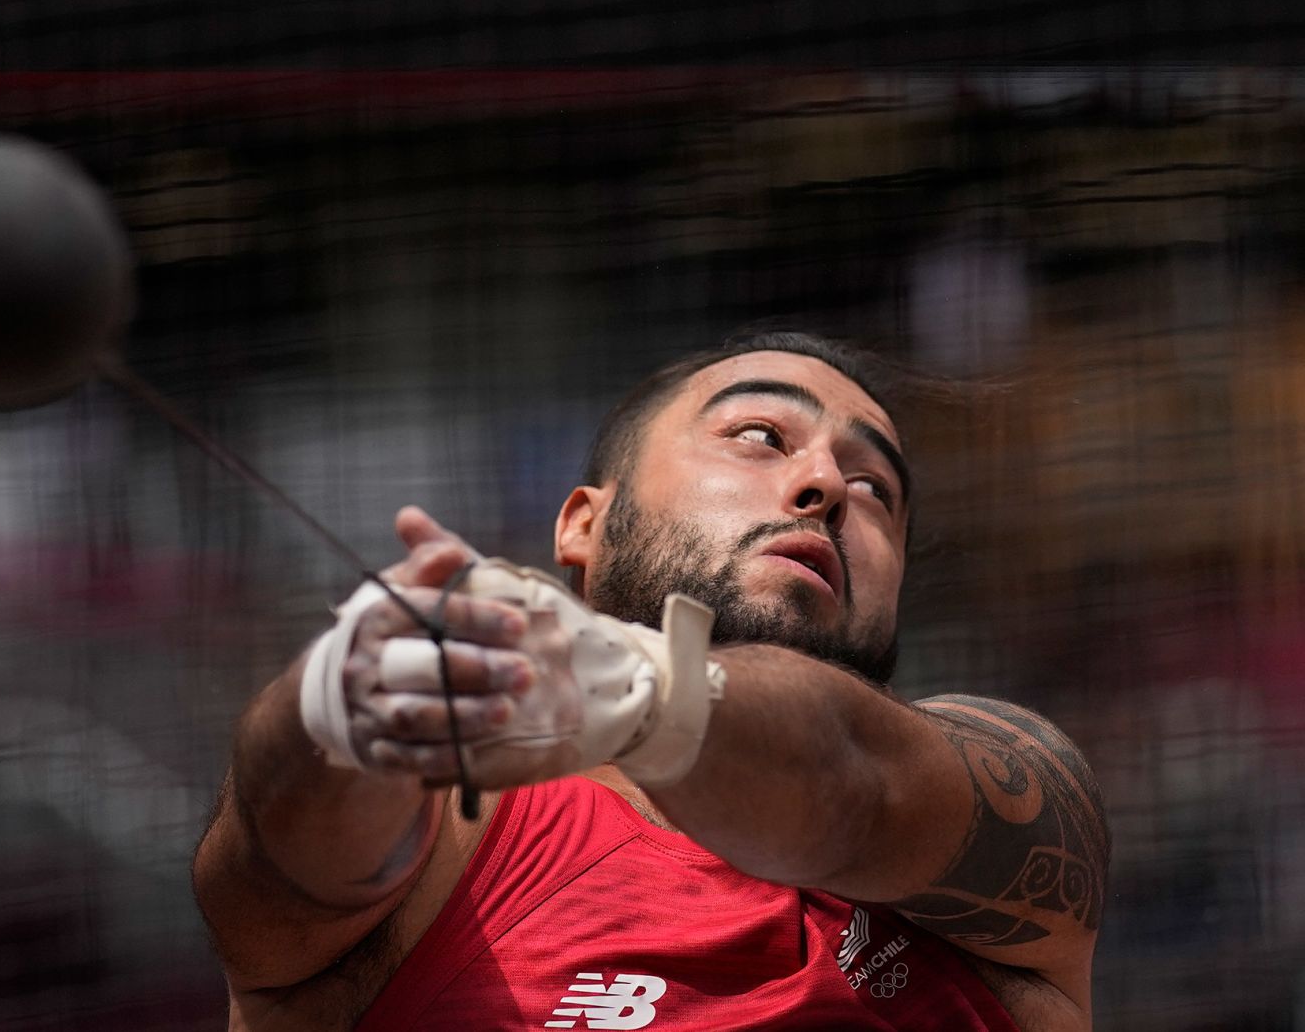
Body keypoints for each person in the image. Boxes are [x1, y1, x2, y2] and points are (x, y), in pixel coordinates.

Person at [192, 330, 1110, 1031]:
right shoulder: (455, 829)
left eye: (877, 489)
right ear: (586, 524)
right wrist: (347, 705)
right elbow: (283, 847)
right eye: (761, 435)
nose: (827, 482)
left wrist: (636, 685)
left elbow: (851, 774)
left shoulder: (983, 808)